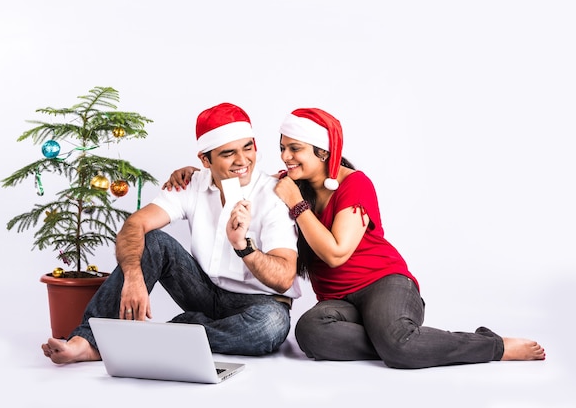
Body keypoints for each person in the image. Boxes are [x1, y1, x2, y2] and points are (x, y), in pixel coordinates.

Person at [165, 107, 546, 369]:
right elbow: (241, 175)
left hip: (383, 283)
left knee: (400, 347)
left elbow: (335, 253)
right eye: (282, 148)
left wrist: (298, 206)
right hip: (337, 301)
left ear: (323, 150)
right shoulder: (286, 185)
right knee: (310, 335)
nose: (285, 157)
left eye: (294, 149)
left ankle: (491, 346)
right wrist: (193, 173)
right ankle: (396, 340)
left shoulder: (354, 185)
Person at [42, 102, 301, 364]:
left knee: (269, 328)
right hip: (204, 291)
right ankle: (86, 341)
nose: (242, 160)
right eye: (228, 153)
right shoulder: (191, 184)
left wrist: (243, 246)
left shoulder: (274, 194)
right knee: (152, 241)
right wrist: (133, 277)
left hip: (260, 304)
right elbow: (134, 225)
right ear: (204, 160)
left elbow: (283, 278)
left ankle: (157, 338)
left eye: (248, 147)